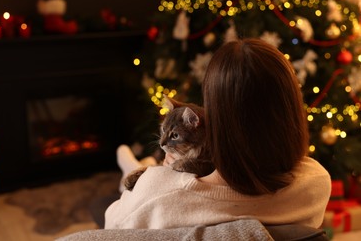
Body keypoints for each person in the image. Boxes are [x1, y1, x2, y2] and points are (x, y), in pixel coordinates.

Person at [104, 38, 331, 229]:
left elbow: (111, 224)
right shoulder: (316, 183)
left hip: (152, 187)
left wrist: (162, 176)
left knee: (130, 183)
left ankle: (134, 167)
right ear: (291, 112)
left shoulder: (160, 192)